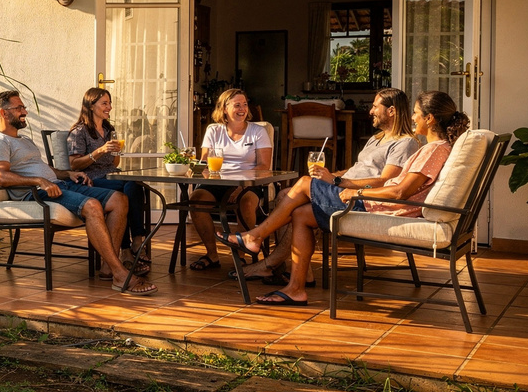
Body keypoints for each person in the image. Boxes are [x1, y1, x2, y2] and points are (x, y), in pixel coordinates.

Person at [236, 90, 469, 307]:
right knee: (301, 213)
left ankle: (254, 236)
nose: (412, 117)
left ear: (430, 119)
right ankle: (295, 288)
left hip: (377, 206)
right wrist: (337, 179)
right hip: (375, 202)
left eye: (417, 113)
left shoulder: (432, 149)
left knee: (304, 185)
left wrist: (354, 190)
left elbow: (399, 191)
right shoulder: (430, 148)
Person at [232, 88, 422, 284]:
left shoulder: (404, 143)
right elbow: (359, 169)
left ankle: (263, 252)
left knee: (303, 187)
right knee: (284, 195)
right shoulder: (377, 138)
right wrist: (331, 175)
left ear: (391, 111)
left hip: (360, 197)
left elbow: (385, 180)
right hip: (344, 188)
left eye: (375, 107)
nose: (371, 111)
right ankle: (299, 272)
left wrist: (338, 181)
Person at [0, 90, 156, 295]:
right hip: (36, 193)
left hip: (59, 184)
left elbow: (47, 170)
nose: (25, 112)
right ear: (4, 113)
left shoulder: (25, 141)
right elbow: (2, 177)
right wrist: (40, 180)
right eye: (19, 108)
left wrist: (69, 173)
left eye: (24, 107)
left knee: (119, 199)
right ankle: (120, 274)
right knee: (92, 205)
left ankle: (106, 267)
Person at [186, 88, 273, 271]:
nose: (242, 109)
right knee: (196, 200)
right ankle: (212, 254)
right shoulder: (213, 131)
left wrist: (241, 186)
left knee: (246, 202)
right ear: (225, 109)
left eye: (245, 104)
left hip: (250, 181)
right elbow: (205, 162)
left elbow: (264, 166)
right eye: (237, 105)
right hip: (219, 180)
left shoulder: (258, 131)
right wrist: (190, 165)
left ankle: (240, 255)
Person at [66, 88, 149, 278]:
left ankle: (130, 247)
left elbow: (114, 164)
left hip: (111, 176)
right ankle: (134, 244)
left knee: (135, 185)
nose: (109, 107)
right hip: (91, 181)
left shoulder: (109, 129)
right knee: (130, 187)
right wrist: (100, 151)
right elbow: (75, 163)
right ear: (90, 105)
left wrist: (116, 153)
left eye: (109, 103)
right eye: (104, 103)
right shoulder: (79, 132)